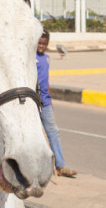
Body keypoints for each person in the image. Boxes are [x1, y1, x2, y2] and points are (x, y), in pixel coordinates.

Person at [37, 30, 76, 177]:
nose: (41, 46)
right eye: (39, 43)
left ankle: (60, 165)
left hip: (45, 102)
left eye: (44, 44)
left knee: (53, 131)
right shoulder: (30, 58)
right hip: (33, 102)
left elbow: (46, 81)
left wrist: (50, 98)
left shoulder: (47, 58)